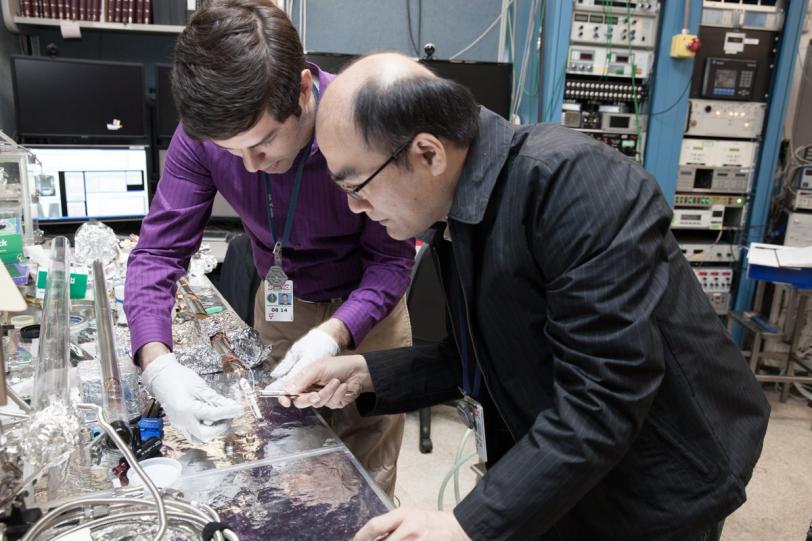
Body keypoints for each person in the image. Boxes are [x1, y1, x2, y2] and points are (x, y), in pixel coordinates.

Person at [280, 53, 772, 541]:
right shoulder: (455, 210)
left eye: (357, 185)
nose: (353, 207)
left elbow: (603, 395)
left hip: (658, 475)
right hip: (570, 455)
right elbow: (480, 358)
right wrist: (367, 373)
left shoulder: (574, 185)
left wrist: (465, 525)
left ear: (428, 154)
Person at [124, 2, 413, 495]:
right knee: (282, 453)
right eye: (233, 152)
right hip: (283, 304)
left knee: (365, 477)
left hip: (370, 311)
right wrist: (158, 365)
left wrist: (335, 334)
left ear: (303, 89)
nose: (251, 167)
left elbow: (391, 259)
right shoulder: (202, 138)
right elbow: (158, 254)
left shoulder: (365, 125)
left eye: (263, 144)